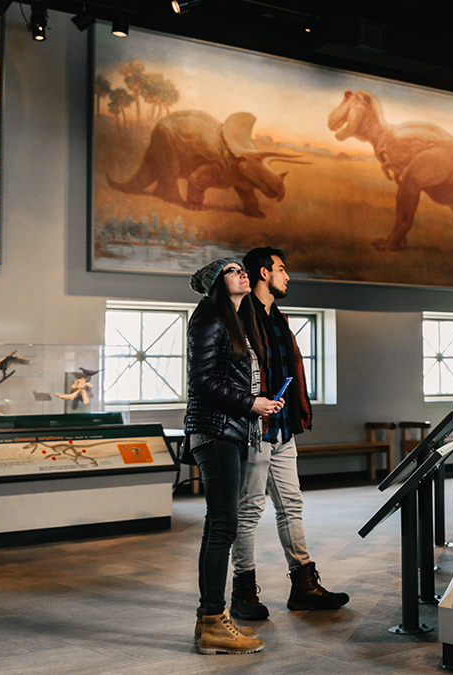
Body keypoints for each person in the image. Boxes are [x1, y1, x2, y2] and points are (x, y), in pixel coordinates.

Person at [229, 247, 350, 621]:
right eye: (281, 269)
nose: (287, 276)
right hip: (254, 428)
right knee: (249, 511)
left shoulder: (277, 318)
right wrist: (253, 403)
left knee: (291, 506)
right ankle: (243, 591)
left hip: (282, 429)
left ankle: (303, 585)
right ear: (263, 273)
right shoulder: (239, 317)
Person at [184, 257, 284, 654]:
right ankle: (212, 622)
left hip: (229, 430)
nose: (241, 271)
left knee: (221, 525)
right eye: (231, 270)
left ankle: (208, 621)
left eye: (241, 267)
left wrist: (256, 404)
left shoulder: (236, 320)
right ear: (215, 283)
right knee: (223, 525)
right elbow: (203, 382)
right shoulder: (210, 316)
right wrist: (250, 404)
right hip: (215, 430)